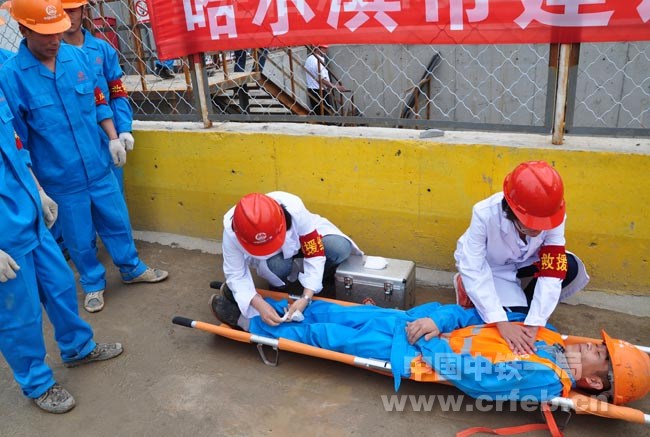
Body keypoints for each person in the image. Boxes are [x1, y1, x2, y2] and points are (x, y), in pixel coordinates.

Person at [0, 0, 168, 314]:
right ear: (23, 30)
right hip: (60, 176)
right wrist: (38, 188)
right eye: (45, 34)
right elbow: (17, 140)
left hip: (98, 164)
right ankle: (92, 282)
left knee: (117, 221)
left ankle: (131, 267)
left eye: (57, 32)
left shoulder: (76, 58)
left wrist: (113, 137)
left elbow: (99, 100)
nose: (55, 40)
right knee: (79, 237)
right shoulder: (11, 77)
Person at [248, 298, 650, 405]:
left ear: (592, 381)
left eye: (601, 353)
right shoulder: (548, 334)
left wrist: (427, 337)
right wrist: (435, 321)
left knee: (328, 335)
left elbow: (473, 379)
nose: (593, 345)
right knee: (335, 312)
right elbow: (476, 314)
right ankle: (273, 306)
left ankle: (251, 322)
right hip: (418, 326)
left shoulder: (545, 378)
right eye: (601, 344)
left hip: (415, 353)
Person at [0, 86, 123, 414]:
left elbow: (16, 148)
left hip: (30, 217)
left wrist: (39, 191)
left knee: (61, 286)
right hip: (4, 240)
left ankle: (77, 347)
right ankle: (37, 382)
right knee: (19, 316)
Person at [453, 161, 589, 356]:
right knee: (510, 322)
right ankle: (468, 288)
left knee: (569, 267)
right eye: (531, 223)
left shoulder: (554, 214)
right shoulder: (484, 214)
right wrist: (500, 321)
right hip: (492, 267)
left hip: (525, 261)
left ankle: (523, 306)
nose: (539, 229)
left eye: (543, 224)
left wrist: (536, 322)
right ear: (511, 210)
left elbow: (552, 270)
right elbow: (474, 266)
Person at [210, 192, 362, 331]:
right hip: (276, 259)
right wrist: (259, 304)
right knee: (276, 267)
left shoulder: (294, 208)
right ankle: (251, 316)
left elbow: (314, 252)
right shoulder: (232, 232)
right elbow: (235, 274)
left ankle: (317, 279)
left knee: (339, 248)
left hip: (302, 240)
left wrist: (306, 297)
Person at [62, 0, 135, 194]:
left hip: (106, 136)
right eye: (62, 11)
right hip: (72, 138)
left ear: (83, 11)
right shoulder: (52, 54)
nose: (68, 16)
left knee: (113, 194)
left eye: (72, 10)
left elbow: (117, 90)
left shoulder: (102, 49)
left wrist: (124, 128)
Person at [304, 44, 347, 115]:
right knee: (324, 113)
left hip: (313, 89)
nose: (326, 50)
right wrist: (336, 87)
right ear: (318, 49)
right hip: (319, 91)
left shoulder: (310, 59)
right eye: (324, 48)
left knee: (319, 112)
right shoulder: (316, 61)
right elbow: (322, 79)